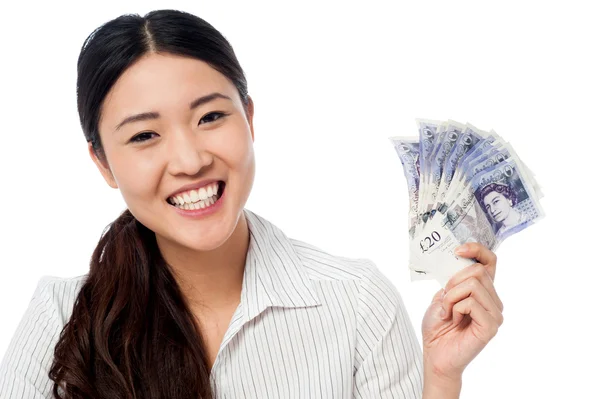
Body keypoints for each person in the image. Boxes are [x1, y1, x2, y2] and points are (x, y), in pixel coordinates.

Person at [0, 9, 504, 399]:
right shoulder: (61, 318)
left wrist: (439, 378)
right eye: (145, 135)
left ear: (249, 119)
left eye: (210, 117)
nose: (189, 160)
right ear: (102, 162)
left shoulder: (358, 305)